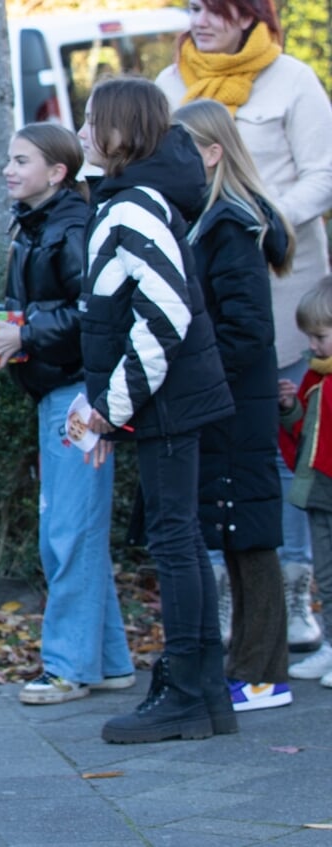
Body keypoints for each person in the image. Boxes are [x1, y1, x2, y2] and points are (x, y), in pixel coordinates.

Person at [156, 0, 332, 658]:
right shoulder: (170, 84)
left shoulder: (291, 79)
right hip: (205, 288)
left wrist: (259, 217)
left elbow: (324, 172)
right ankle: (234, 596)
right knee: (224, 450)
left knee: (281, 448)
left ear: (249, 16)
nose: (200, 20)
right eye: (194, 7)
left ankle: (293, 593)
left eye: (216, 9)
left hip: (283, 286)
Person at [75, 76, 236, 744]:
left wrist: (110, 407)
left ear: (119, 132)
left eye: (91, 120)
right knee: (178, 539)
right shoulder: (137, 198)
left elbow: (163, 313)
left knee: (175, 541)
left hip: (163, 402)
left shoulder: (134, 204)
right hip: (161, 399)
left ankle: (191, 694)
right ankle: (197, 691)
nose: (82, 130)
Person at [0, 123, 136, 705]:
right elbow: (39, 307)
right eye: (8, 159)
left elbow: (92, 315)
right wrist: (1, 325)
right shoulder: (37, 224)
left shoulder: (72, 229)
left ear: (58, 172)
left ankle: (66, 668)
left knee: (67, 533)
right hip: (56, 393)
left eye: (21, 160)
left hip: (78, 396)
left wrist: (24, 333)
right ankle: (109, 662)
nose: (8, 170)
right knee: (75, 530)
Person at [174, 98, 295, 711]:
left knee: (249, 534)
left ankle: (263, 674)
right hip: (228, 399)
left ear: (213, 152)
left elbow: (245, 329)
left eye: (184, 147)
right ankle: (250, 665)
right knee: (237, 530)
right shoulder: (215, 219)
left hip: (233, 404)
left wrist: (202, 382)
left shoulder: (230, 224)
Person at [278, 279, 332, 689]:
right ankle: (330, 643)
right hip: (320, 492)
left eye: (320, 336)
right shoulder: (316, 380)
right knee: (327, 576)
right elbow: (303, 437)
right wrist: (291, 407)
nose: (313, 346)